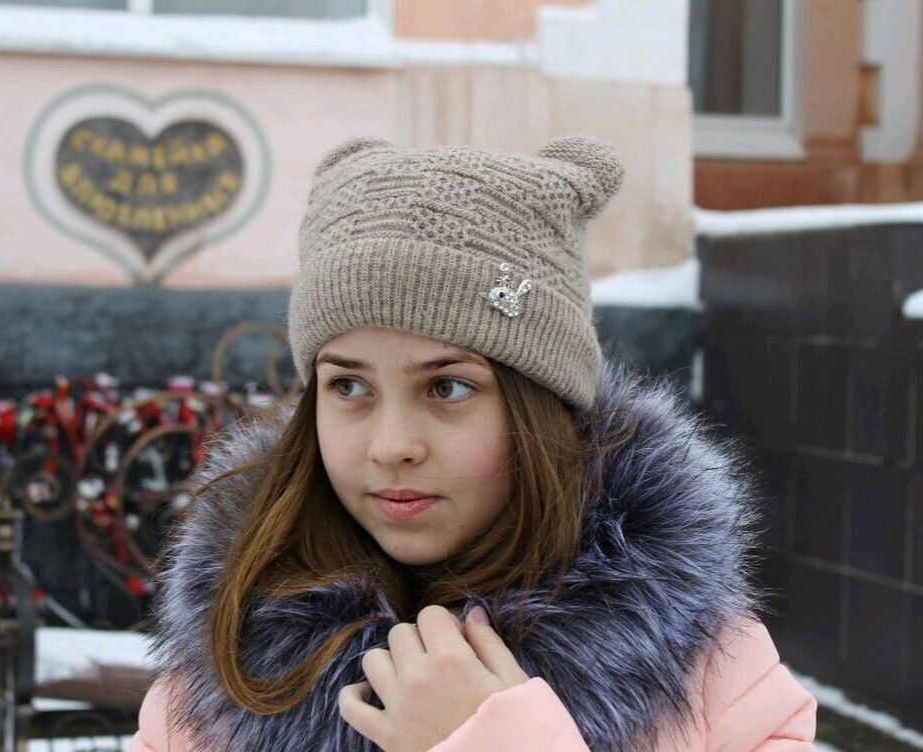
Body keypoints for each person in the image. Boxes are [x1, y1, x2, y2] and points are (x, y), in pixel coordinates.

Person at [127, 136, 817, 751]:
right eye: (348, 388)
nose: (391, 446)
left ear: (537, 408)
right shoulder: (219, 679)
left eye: (447, 388)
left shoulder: (710, 675)